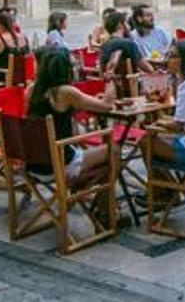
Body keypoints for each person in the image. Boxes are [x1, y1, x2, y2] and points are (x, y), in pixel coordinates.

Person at [25, 47, 116, 216]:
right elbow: (107, 106)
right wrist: (110, 80)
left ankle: (88, 194)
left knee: (91, 154)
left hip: (34, 164)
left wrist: (84, 102)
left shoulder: (32, 90)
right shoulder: (64, 92)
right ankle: (105, 210)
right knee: (113, 150)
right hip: (58, 164)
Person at [100, 10, 153, 78]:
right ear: (120, 25)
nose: (129, 26)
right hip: (131, 84)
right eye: (127, 23)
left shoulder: (105, 45)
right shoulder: (127, 44)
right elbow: (148, 69)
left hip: (112, 84)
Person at [0, 10, 31, 81]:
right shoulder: (24, 37)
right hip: (24, 79)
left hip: (4, 80)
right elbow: (29, 56)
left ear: (0, 25)